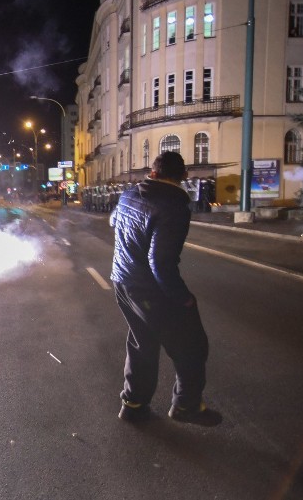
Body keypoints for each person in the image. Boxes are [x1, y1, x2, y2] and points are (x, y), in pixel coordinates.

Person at [109, 151, 221, 426]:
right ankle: (187, 405)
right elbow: (160, 262)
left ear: (153, 171)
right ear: (183, 176)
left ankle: (133, 404)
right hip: (149, 290)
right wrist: (183, 298)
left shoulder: (129, 194)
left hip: (122, 280)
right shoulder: (173, 206)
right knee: (192, 346)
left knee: (142, 342)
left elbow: (114, 221)